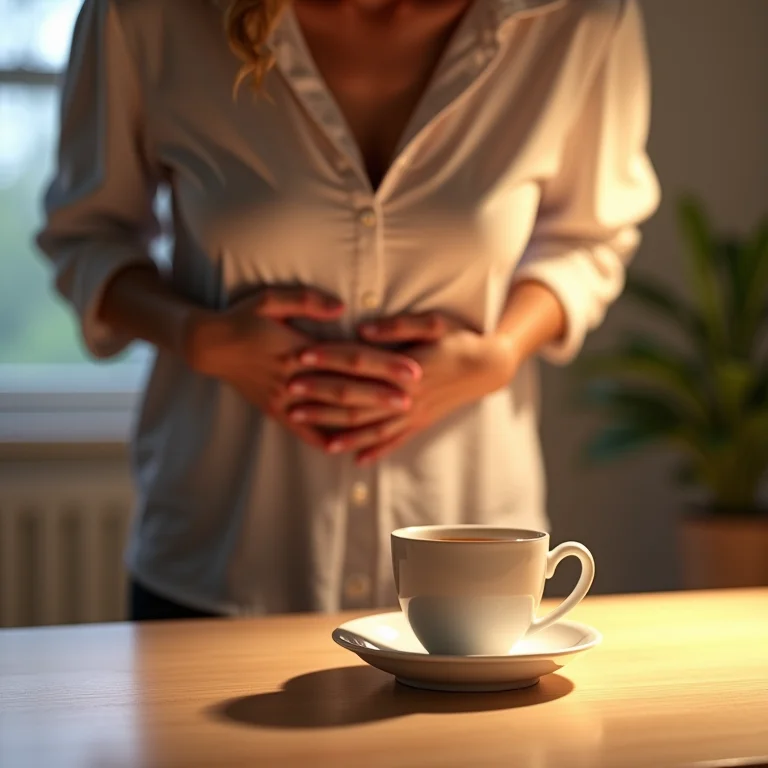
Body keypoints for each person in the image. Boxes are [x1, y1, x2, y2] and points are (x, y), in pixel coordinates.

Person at [36, 0, 660, 621]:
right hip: (221, 557)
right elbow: (86, 235)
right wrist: (199, 337)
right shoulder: (144, 15)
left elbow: (590, 237)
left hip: (472, 564)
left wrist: (499, 354)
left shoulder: (578, 18)